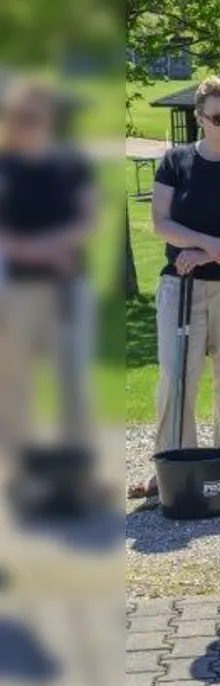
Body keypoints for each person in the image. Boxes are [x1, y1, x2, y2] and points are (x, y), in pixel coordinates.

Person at [131, 76, 220, 501]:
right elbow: (161, 223)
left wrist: (207, 255)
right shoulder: (176, 161)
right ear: (200, 120)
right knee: (175, 376)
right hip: (181, 283)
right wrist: (205, 244)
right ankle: (170, 465)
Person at [0, 77, 99, 451]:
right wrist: (38, 250)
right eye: (21, 116)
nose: (29, 123)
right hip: (17, 287)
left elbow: (88, 220)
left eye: (36, 116)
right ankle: (21, 461)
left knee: (71, 375)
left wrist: (54, 245)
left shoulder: (70, 163)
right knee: (15, 377)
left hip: (68, 285)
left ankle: (76, 461)